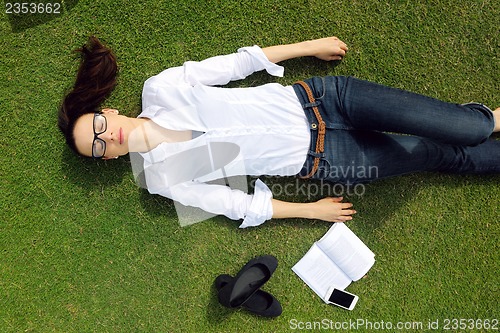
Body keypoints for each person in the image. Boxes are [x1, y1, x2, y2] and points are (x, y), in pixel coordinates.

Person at [59, 36, 500, 228]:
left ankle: (488, 122)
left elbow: (236, 65)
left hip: (324, 99)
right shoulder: (160, 178)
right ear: (109, 159)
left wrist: (309, 47)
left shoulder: (161, 89)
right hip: (327, 159)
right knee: (435, 154)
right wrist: (310, 211)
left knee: (467, 125)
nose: (107, 137)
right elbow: (232, 203)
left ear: (109, 111)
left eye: (99, 126)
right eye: (98, 147)